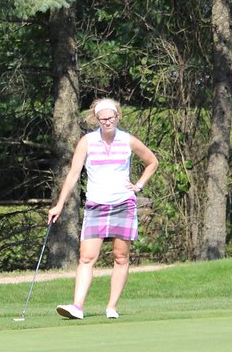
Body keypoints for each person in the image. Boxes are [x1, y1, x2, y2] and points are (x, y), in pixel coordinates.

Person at [48, 98, 158, 320]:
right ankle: (77, 306)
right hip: (96, 205)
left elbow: (152, 161)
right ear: (96, 119)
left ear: (117, 116)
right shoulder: (87, 141)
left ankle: (112, 307)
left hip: (123, 204)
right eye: (102, 119)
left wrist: (138, 185)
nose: (107, 122)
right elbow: (73, 174)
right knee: (86, 257)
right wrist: (59, 204)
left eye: (111, 117)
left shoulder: (127, 140)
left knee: (120, 256)